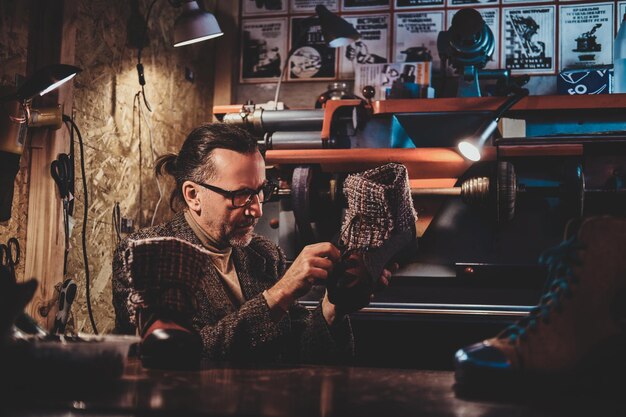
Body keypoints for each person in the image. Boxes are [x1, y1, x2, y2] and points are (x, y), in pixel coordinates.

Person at [112, 123, 394, 364]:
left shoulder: (263, 253)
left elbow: (302, 354)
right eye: (241, 195)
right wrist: (278, 294)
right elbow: (179, 356)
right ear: (193, 195)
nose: (257, 210)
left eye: (260, 192)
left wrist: (334, 305)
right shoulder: (147, 254)